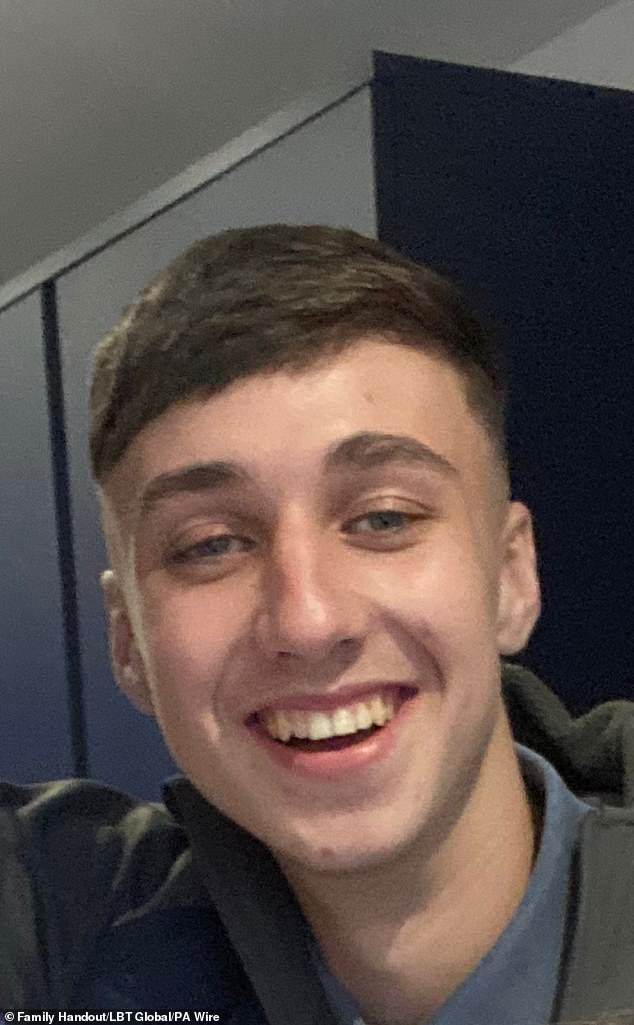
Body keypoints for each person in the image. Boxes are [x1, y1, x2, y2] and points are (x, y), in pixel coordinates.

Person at [1, 224, 633, 1024]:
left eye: (384, 518)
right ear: (128, 643)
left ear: (511, 575)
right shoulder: (65, 942)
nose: (307, 619)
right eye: (211, 544)